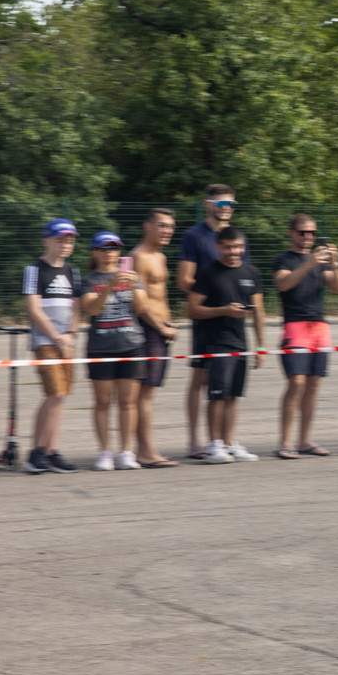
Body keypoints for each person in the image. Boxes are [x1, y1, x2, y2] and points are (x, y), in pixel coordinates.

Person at [186, 226, 265, 464]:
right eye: (229, 247)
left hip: (241, 342)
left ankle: (230, 443)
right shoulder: (208, 273)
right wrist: (224, 310)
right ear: (218, 247)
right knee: (217, 395)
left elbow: (258, 311)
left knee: (233, 396)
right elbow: (192, 309)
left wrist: (260, 346)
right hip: (216, 343)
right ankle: (214, 444)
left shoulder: (251, 272)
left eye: (238, 246)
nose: (234, 251)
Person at [177, 184, 244, 459]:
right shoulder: (194, 236)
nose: (226, 208)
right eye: (220, 204)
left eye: (231, 204)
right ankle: (196, 441)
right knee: (201, 377)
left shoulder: (237, 238)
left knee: (231, 382)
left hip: (232, 320)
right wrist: (215, 292)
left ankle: (227, 441)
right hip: (206, 316)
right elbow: (183, 281)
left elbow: (241, 274)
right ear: (207, 205)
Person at [271, 214, 338, 459]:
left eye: (312, 233)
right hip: (295, 325)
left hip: (320, 326)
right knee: (297, 382)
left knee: (314, 383)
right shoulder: (284, 259)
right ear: (291, 233)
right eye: (303, 232)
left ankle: (305, 439)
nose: (308, 237)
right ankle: (285, 441)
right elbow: (284, 284)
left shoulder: (321, 261)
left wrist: (336, 262)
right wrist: (308, 264)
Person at [81, 232, 148, 471]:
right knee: (102, 402)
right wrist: (110, 286)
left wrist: (134, 288)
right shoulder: (88, 280)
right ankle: (104, 452)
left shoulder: (132, 276)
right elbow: (92, 309)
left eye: (115, 247)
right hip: (101, 347)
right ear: (94, 252)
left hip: (132, 344)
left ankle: (127, 452)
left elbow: (140, 309)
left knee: (128, 403)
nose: (110, 252)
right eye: (104, 247)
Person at [20, 219, 83, 474]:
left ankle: (50, 451)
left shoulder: (72, 271)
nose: (65, 244)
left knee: (59, 398)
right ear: (46, 240)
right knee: (55, 394)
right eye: (60, 239)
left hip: (65, 340)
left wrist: (69, 334)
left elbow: (76, 309)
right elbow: (34, 309)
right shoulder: (35, 269)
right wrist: (56, 336)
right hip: (45, 341)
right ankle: (36, 453)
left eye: (69, 240)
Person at [131, 209, 179, 466]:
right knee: (144, 395)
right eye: (161, 226)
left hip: (161, 329)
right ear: (147, 226)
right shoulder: (138, 257)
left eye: (170, 227)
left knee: (149, 393)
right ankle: (146, 452)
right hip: (149, 330)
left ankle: (146, 450)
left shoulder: (159, 256)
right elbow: (139, 302)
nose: (167, 231)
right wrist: (161, 327)